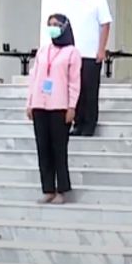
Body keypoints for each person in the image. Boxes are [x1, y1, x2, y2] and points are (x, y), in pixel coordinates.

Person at [26, 14, 81, 204]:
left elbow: (74, 82)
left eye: (56, 25)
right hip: (40, 104)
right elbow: (34, 78)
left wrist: (72, 106)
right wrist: (30, 102)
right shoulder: (43, 50)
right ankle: (47, 188)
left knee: (59, 148)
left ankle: (62, 189)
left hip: (60, 105)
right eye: (50, 25)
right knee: (43, 147)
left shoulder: (72, 52)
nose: (53, 28)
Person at [61, 0, 112, 136]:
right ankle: (78, 122)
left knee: (90, 90)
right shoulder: (68, 2)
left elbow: (105, 24)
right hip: (72, 52)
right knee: (76, 91)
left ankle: (90, 124)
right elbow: (62, 24)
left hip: (91, 53)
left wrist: (101, 49)